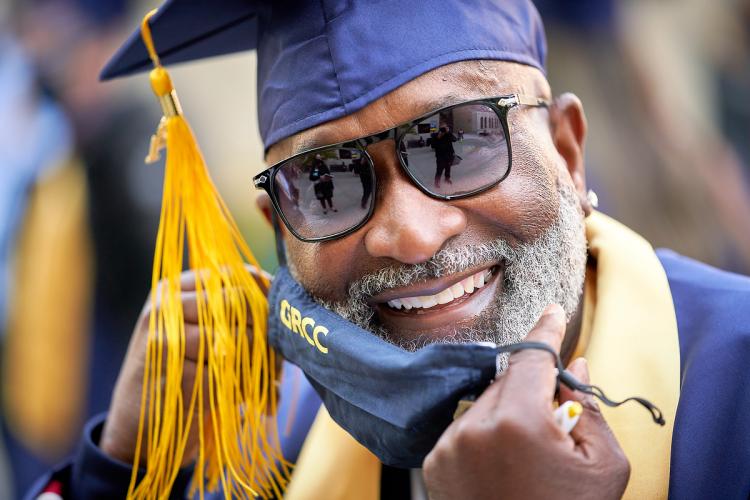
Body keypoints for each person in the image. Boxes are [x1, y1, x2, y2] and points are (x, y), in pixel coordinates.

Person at [29, 1, 750, 499]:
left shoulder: (737, 389)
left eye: (459, 141)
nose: (407, 232)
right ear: (279, 231)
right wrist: (122, 471)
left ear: (566, 150)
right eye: (325, 184)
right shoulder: (276, 446)